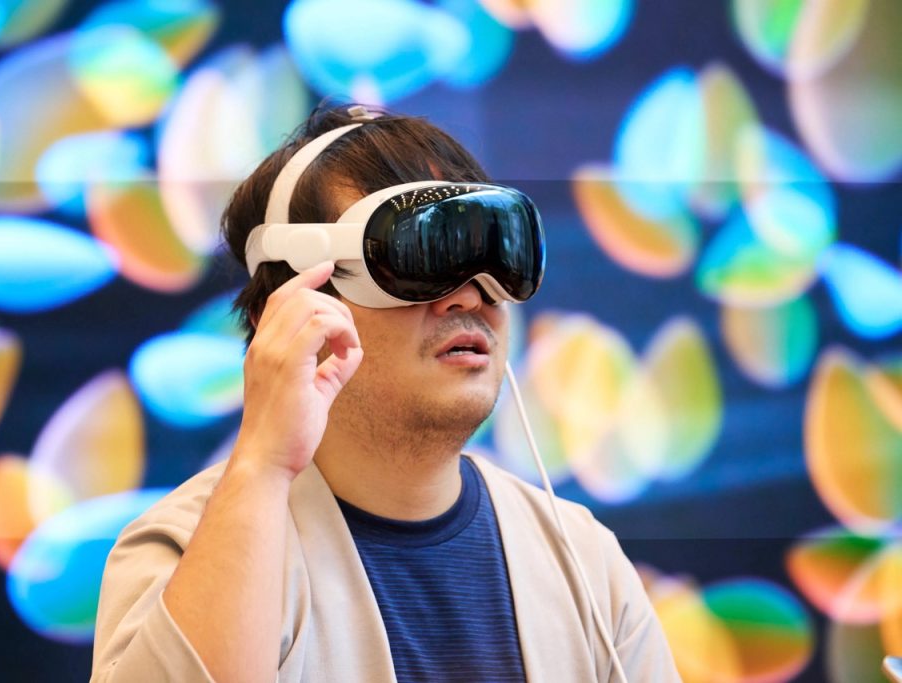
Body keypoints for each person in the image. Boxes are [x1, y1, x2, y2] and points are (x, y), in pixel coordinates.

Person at [90, 103, 680, 682]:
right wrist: (262, 466)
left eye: (495, 250)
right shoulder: (182, 550)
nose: (471, 296)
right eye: (421, 252)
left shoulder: (581, 558)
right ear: (299, 302)